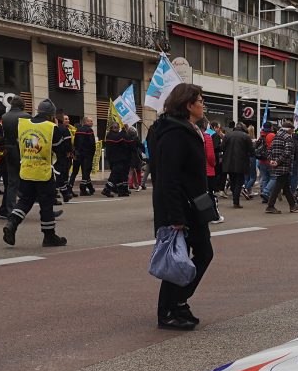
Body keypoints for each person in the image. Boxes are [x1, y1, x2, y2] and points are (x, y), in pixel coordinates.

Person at [147, 83, 214, 330]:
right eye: (200, 100)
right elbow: (168, 177)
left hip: (194, 203)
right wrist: (175, 215)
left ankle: (179, 302)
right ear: (188, 105)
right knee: (178, 259)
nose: (203, 104)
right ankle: (168, 310)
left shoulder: (188, 129)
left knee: (202, 253)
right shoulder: (173, 132)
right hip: (179, 206)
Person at [2, 99, 68, 247]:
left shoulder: (23, 124)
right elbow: (61, 151)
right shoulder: (51, 128)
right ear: (51, 115)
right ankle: (49, 237)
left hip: (26, 170)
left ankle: (12, 223)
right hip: (43, 172)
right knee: (46, 204)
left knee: (25, 200)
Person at [0, 93, 31, 220]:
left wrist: (7, 140)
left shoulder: (4, 118)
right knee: (24, 183)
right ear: (23, 105)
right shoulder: (27, 117)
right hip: (23, 153)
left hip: (8, 154)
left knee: (11, 184)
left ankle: (6, 209)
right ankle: (11, 210)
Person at [265, 120, 298, 214]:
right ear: (289, 129)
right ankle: (270, 206)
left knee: (285, 186)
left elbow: (269, 150)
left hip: (277, 164)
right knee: (278, 186)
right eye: (292, 130)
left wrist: (272, 160)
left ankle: (292, 205)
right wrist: (278, 161)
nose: (293, 132)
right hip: (284, 165)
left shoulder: (275, 136)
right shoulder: (287, 138)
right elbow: (287, 152)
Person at [221, 121, 253, 209]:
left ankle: (235, 200)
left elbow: (222, 147)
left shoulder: (227, 135)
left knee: (233, 181)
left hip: (228, 163)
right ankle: (236, 202)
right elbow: (251, 150)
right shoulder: (246, 137)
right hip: (241, 163)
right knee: (239, 182)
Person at [103, 122, 136, 197]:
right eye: (117, 128)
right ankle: (107, 189)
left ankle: (122, 190)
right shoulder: (114, 136)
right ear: (114, 128)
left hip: (115, 158)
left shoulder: (110, 135)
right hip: (118, 158)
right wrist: (124, 131)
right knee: (115, 174)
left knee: (120, 175)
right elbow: (129, 143)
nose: (118, 129)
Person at [70, 117, 97, 195]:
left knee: (75, 172)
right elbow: (92, 144)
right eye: (90, 121)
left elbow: (75, 142)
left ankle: (90, 188)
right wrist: (92, 153)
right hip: (87, 154)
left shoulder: (78, 130)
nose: (92, 122)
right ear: (85, 122)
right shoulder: (89, 130)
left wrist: (75, 152)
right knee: (86, 172)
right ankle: (83, 188)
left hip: (78, 154)